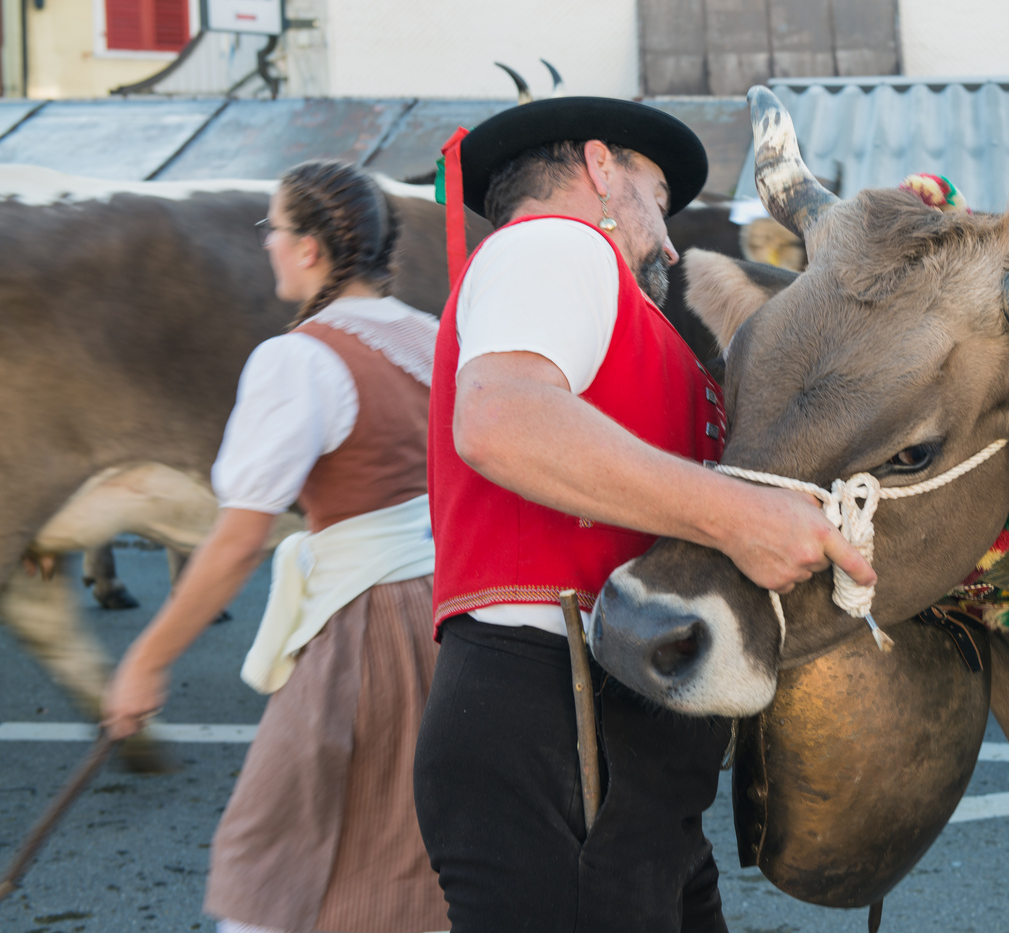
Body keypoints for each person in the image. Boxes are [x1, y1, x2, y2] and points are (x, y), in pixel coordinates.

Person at [414, 97, 875, 933]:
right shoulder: (556, 242)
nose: (668, 240)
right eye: (659, 200)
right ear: (599, 167)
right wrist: (739, 518)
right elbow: (501, 419)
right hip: (560, 709)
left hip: (608, 729)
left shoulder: (606, 294)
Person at [102, 160, 449, 933]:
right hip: (448, 615)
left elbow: (237, 540)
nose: (268, 246)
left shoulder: (298, 361)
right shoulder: (429, 338)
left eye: (275, 230)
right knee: (411, 850)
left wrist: (147, 660)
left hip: (365, 625)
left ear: (312, 249)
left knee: (280, 857)